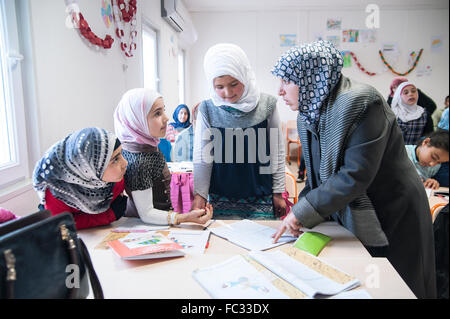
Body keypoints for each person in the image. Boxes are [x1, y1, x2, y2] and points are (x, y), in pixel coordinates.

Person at [271, 40, 436, 299]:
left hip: (393, 207)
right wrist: (298, 213)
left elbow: (354, 175)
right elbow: (314, 179)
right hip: (357, 204)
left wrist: (302, 212)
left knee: (397, 285)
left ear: (312, 76)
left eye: (286, 81)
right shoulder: (308, 114)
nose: (279, 91)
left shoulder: (362, 103)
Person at [191, 43, 286, 220]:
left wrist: (278, 192)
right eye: (219, 86)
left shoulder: (267, 105)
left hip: (261, 197)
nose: (227, 92)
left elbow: (277, 152)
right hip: (220, 198)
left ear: (245, 75)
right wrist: (200, 195)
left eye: (234, 84)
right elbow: (203, 157)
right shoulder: (207, 109)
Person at [114, 88, 212, 226]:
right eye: (157, 114)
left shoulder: (146, 146)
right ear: (137, 119)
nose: (166, 118)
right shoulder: (140, 160)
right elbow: (147, 214)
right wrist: (185, 218)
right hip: (146, 227)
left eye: (163, 110)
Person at [32, 127, 128, 230]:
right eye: (115, 160)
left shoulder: (114, 179)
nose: (125, 163)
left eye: (121, 154)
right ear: (89, 168)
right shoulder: (56, 192)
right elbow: (62, 225)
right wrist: (109, 215)